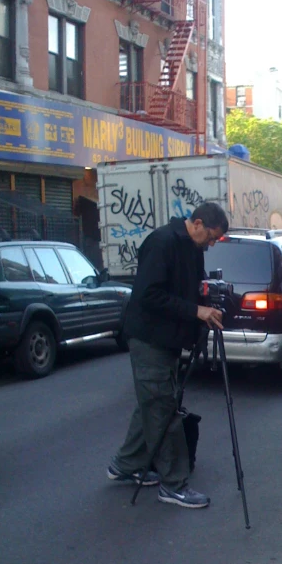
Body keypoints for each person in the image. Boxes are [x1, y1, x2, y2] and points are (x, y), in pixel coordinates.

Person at [107, 202, 229, 509]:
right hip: (150, 340)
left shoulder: (192, 247)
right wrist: (195, 311)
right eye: (211, 237)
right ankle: (173, 484)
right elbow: (148, 295)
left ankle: (124, 465)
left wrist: (203, 308)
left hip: (169, 341)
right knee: (163, 409)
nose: (211, 244)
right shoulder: (162, 242)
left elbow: (186, 292)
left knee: (154, 404)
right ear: (197, 222)